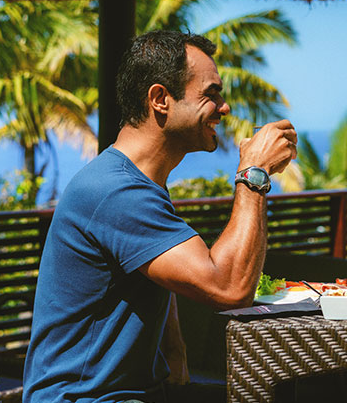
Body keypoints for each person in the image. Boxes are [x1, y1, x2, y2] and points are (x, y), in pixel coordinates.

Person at [22, 30, 297, 402]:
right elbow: (230, 288)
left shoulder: (138, 183)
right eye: (210, 94)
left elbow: (153, 270)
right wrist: (254, 173)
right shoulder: (116, 191)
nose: (224, 107)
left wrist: (175, 347)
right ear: (160, 99)